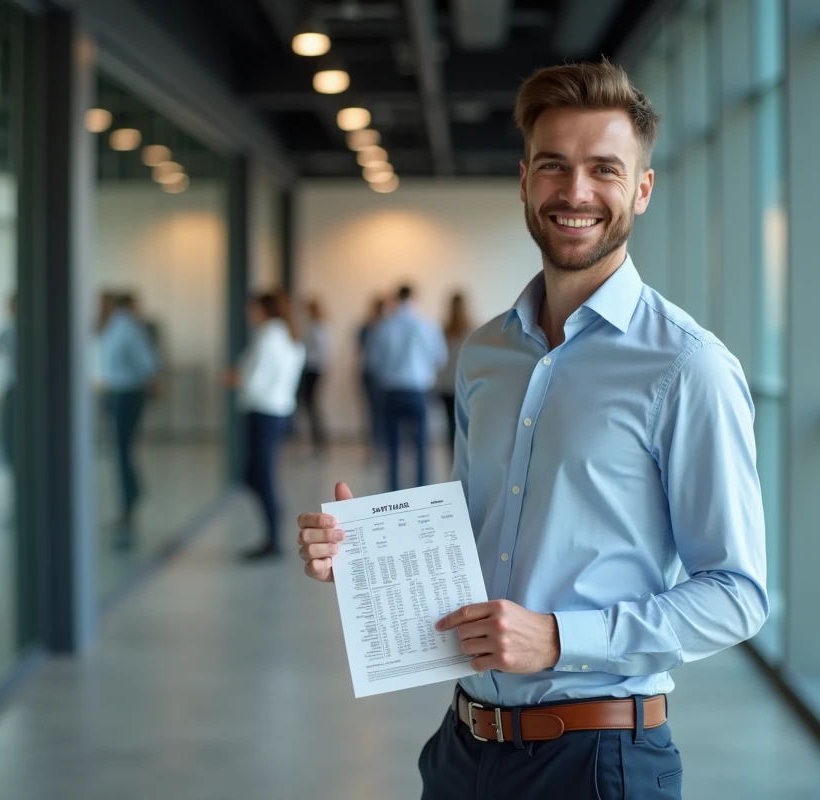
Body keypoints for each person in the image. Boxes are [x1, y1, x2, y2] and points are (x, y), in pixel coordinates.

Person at [296, 59, 767, 799]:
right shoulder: (485, 352)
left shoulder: (687, 366)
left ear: (642, 189)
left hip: (599, 761)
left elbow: (737, 594)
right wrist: (365, 560)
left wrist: (557, 638)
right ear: (524, 181)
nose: (575, 192)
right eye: (553, 166)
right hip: (462, 747)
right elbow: (476, 530)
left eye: (604, 169)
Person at [229, 292, 306, 560]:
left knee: (260, 476)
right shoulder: (290, 337)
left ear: (264, 310)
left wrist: (235, 379)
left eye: (252, 309)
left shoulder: (268, 338)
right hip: (281, 413)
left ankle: (273, 533)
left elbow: (254, 381)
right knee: (257, 474)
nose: (249, 314)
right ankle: (274, 515)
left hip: (263, 413)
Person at [365, 285, 446, 491]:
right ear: (414, 298)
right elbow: (440, 357)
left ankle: (393, 492)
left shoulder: (384, 326)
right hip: (418, 391)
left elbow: (373, 362)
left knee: (393, 448)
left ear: (395, 298)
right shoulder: (427, 325)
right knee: (420, 447)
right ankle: (421, 491)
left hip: (391, 392)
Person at [98, 291, 158, 545]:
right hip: (122, 393)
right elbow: (147, 362)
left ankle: (130, 501)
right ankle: (131, 497)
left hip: (126, 394)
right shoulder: (123, 327)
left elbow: (147, 363)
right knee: (122, 450)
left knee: (122, 450)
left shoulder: (122, 328)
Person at [436, 291, 473, 459]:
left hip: (447, 385)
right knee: (467, 424)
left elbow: (438, 359)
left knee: (451, 425)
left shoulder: (443, 330)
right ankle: (465, 458)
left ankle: (454, 459)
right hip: (465, 384)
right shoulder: (472, 330)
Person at [297, 298, 331, 456]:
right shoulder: (315, 326)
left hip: (314, 369)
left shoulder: (318, 327)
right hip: (313, 369)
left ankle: (319, 442)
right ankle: (317, 441)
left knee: (311, 405)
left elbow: (321, 351)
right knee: (310, 405)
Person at [356, 296, 388, 463]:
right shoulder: (368, 327)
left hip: (382, 375)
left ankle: (380, 447)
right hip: (373, 374)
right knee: (373, 413)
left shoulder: (389, 326)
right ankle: (375, 448)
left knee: (379, 413)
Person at [0, 293, 17, 476]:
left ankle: (12, 464)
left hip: (14, 388)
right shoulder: (9, 329)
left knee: (10, 433)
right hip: (17, 387)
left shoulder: (8, 330)